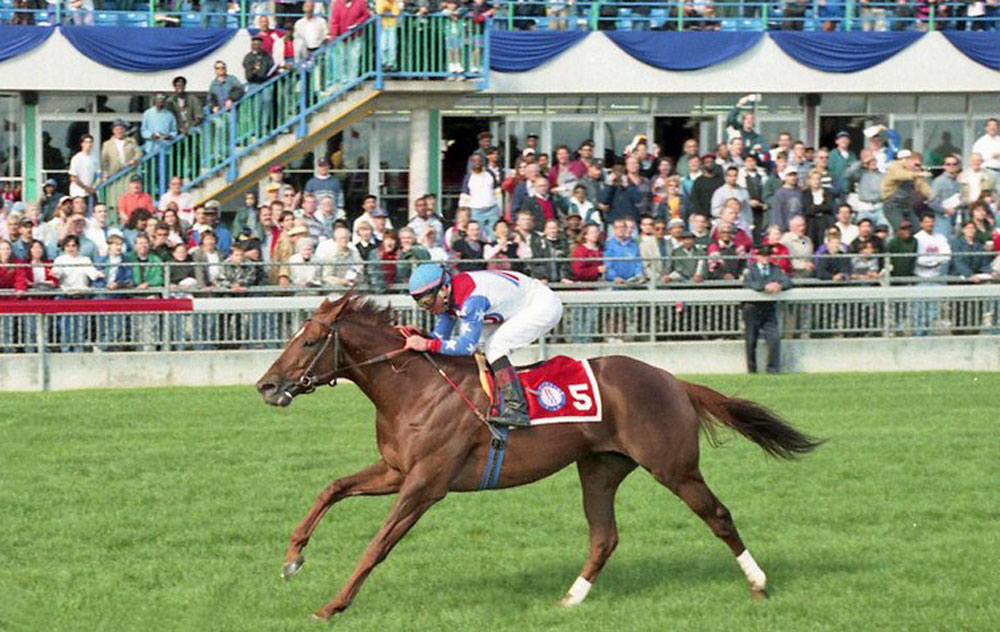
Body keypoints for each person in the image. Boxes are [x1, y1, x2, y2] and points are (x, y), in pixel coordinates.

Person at [402, 263, 564, 427]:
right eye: (421, 304)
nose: (427, 308)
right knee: (484, 345)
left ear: (444, 289)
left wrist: (427, 344)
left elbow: (466, 347)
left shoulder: (471, 300)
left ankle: (517, 409)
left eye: (427, 301)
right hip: (517, 303)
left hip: (541, 305)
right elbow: (439, 337)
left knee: (494, 347)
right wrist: (420, 336)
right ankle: (496, 398)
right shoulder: (449, 295)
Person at [742, 244, 792, 374]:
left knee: (774, 339)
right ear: (757, 257)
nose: (765, 258)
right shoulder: (750, 270)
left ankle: (773, 369)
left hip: (769, 308)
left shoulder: (775, 269)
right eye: (763, 256)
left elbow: (788, 282)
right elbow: (748, 284)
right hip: (752, 308)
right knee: (751, 340)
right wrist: (765, 287)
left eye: (768, 256)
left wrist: (779, 285)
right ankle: (752, 370)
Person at [68, 134, 99, 200]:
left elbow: (97, 175)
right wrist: (85, 188)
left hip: (90, 193)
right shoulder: (77, 158)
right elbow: (73, 177)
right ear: (82, 144)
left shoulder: (94, 158)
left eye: (90, 142)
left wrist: (93, 187)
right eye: (86, 142)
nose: (89, 144)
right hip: (77, 193)